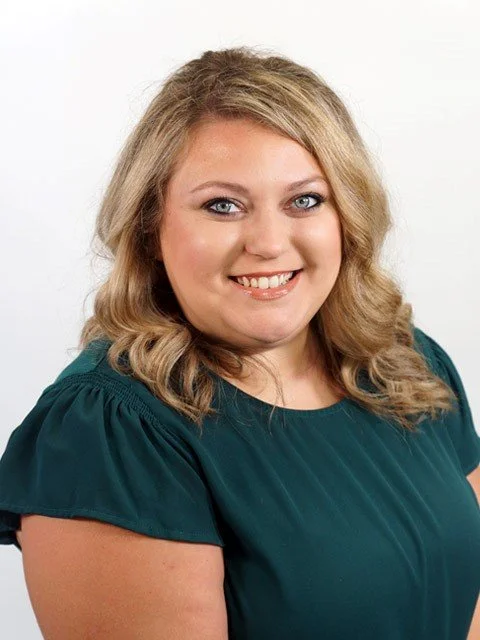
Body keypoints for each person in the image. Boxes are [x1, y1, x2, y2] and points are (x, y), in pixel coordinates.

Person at [0, 46, 479, 640]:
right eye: (222, 206)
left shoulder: (406, 364)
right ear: (150, 229)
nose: (269, 243)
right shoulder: (110, 434)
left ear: (347, 215)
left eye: (305, 200)